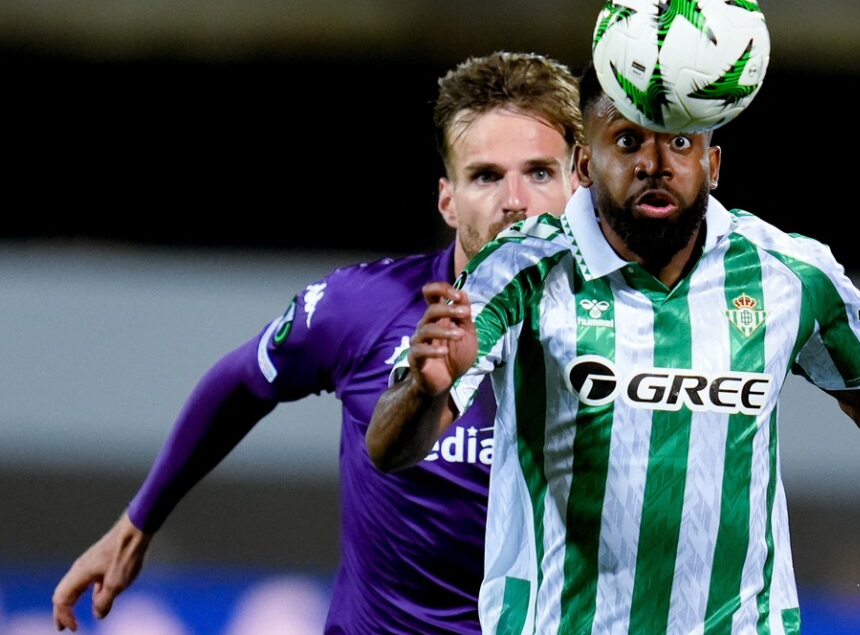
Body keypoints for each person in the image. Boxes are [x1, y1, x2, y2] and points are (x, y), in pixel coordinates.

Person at [364, 62, 860, 635]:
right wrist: (426, 389)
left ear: (712, 164)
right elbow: (391, 448)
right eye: (628, 140)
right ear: (586, 165)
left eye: (680, 142)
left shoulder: (788, 272)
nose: (656, 162)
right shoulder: (523, 267)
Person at [51, 50, 584, 635]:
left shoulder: (636, 335)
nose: (515, 202)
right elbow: (242, 382)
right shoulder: (362, 310)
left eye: (540, 173)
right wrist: (138, 520)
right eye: (486, 176)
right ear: (447, 200)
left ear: (578, 181)